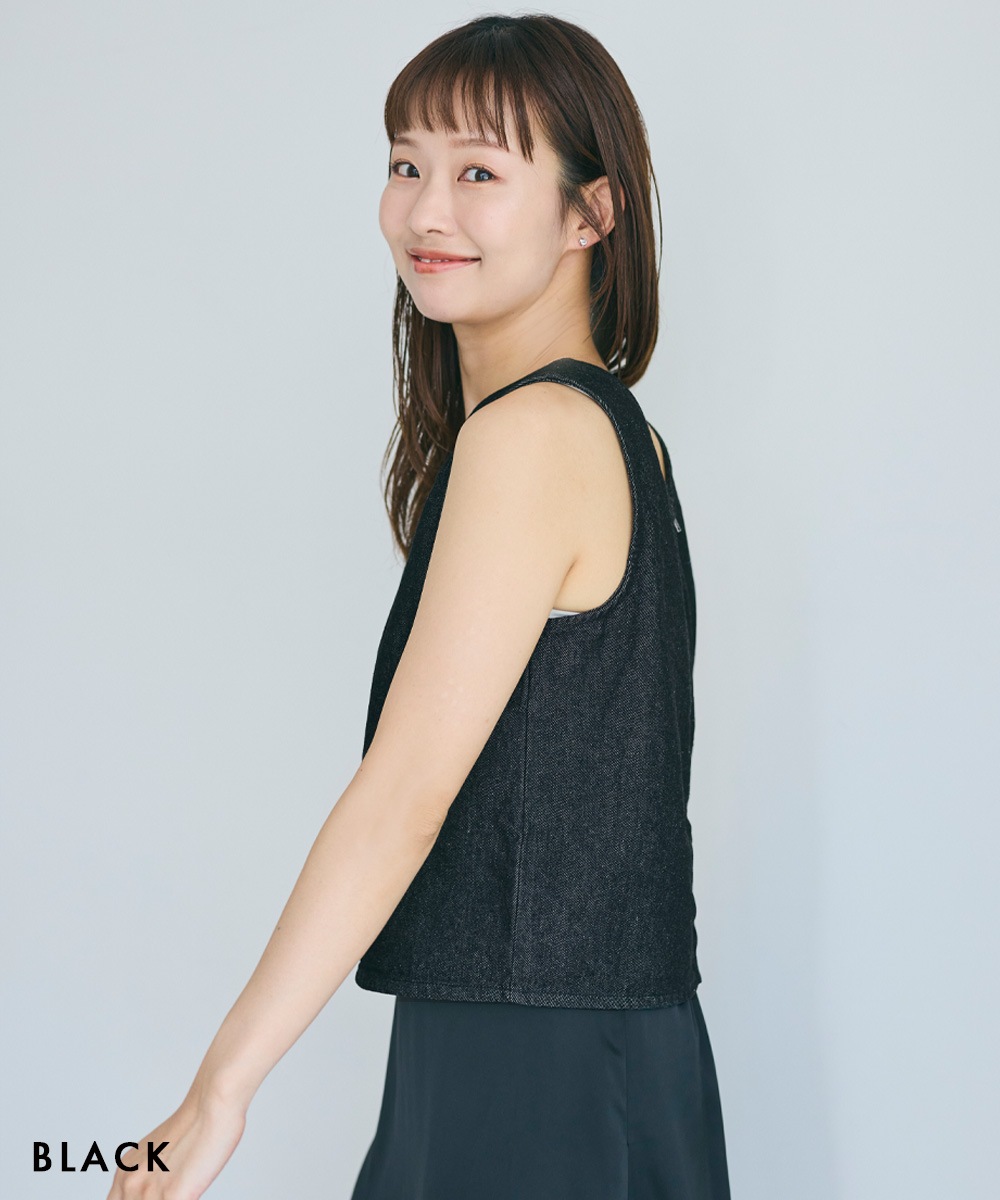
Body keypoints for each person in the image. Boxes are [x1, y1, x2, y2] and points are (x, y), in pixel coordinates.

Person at [107, 13, 730, 1200]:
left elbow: (404, 799)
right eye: (406, 165)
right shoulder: (612, 432)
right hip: (595, 1041)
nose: (426, 211)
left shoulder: (533, 436)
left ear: (590, 213)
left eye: (479, 173)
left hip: (530, 1064)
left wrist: (219, 1090)